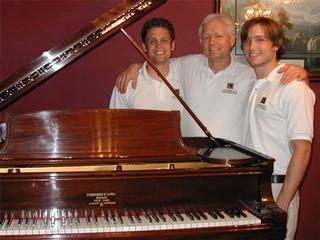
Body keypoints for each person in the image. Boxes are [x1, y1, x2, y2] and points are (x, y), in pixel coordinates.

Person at [114, 14, 308, 144]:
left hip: (231, 165)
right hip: (192, 163)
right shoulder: (187, 65)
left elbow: (273, 78)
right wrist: (135, 67)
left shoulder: (249, 74)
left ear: (232, 40)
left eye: (218, 36)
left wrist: (301, 73)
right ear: (200, 42)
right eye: (206, 37)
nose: (212, 42)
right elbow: (158, 58)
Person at [240, 17, 315, 240]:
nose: (252, 47)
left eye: (260, 39)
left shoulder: (293, 88)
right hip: (249, 187)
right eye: (247, 40)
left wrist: (282, 202)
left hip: (276, 188)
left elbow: (303, 150)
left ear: (276, 44)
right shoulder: (252, 83)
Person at [109, 17, 184, 112]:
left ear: (172, 45)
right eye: (152, 41)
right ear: (144, 47)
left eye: (164, 40)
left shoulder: (185, 76)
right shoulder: (126, 83)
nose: (159, 46)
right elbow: (115, 124)